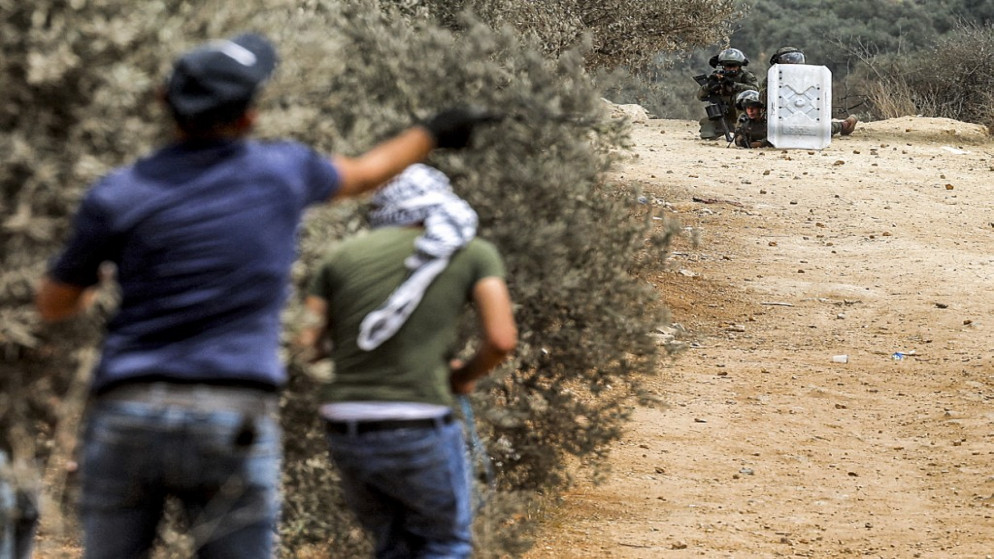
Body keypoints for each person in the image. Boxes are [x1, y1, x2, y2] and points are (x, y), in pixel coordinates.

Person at [34, 32, 494, 559]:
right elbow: (368, 172)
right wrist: (433, 131)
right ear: (250, 117)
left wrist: (87, 294)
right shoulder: (281, 172)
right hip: (232, 414)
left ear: (163, 100)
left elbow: (53, 303)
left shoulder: (116, 193)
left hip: (127, 410)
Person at [299, 164, 517, 558]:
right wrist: (463, 376)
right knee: (443, 543)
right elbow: (502, 339)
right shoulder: (469, 252)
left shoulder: (341, 257)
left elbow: (306, 342)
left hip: (345, 425)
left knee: (392, 544)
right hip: (417, 421)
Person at [762, 46, 858, 136]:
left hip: (803, 117)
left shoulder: (808, 78)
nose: (794, 63)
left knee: (818, 130)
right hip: (778, 118)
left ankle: (844, 125)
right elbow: (764, 101)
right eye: (789, 59)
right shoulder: (772, 78)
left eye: (796, 59)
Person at [696, 48, 760, 140]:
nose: (731, 69)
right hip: (723, 117)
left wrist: (734, 85)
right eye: (728, 66)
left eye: (734, 66)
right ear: (723, 66)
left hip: (744, 117)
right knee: (707, 133)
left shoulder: (746, 76)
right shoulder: (717, 76)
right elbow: (700, 96)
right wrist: (709, 86)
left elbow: (755, 90)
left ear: (739, 66)